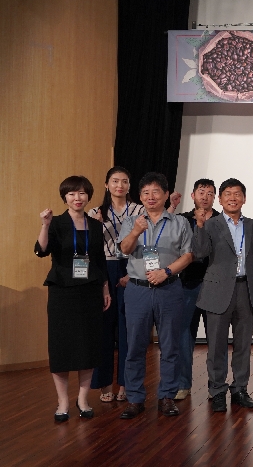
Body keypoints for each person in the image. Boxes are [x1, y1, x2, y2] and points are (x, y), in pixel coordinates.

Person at [117, 172, 193, 419]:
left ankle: (167, 396)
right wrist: (135, 232)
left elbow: (188, 255)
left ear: (166, 194)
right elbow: (124, 249)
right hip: (137, 290)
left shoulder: (179, 222)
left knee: (170, 345)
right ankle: (135, 398)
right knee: (135, 346)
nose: (151, 197)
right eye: (146, 193)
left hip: (169, 289)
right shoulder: (132, 221)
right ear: (140, 197)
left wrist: (166, 272)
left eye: (156, 192)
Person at [36, 176, 111, 422]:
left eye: (81, 193)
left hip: (90, 291)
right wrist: (45, 225)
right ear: (64, 197)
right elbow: (41, 250)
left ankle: (83, 399)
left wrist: (105, 289)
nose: (77, 198)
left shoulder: (96, 225)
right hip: (62, 291)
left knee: (88, 345)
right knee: (61, 347)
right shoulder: (56, 223)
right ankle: (63, 402)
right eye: (71, 194)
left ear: (88, 196)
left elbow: (100, 261)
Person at [192, 178, 253, 412]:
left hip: (246, 290)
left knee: (243, 345)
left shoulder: (252, 225)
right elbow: (200, 252)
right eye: (228, 194)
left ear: (244, 199)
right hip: (217, 291)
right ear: (220, 200)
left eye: (237, 194)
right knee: (216, 345)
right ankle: (217, 390)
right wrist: (200, 226)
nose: (233, 198)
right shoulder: (211, 224)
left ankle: (240, 389)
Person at [88, 166, 144, 403]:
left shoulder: (139, 210)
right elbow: (89, 249)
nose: (119, 185)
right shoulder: (95, 212)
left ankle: (125, 383)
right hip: (104, 269)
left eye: (124, 181)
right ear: (106, 185)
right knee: (103, 328)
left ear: (129, 186)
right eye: (115, 181)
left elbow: (147, 243)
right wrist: (96, 227)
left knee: (127, 330)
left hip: (131, 268)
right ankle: (104, 383)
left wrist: (134, 272)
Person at [175, 179, 220, 401]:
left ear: (215, 198)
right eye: (201, 192)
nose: (205, 196)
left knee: (215, 337)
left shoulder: (221, 220)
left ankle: (216, 386)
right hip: (187, 284)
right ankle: (183, 384)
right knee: (184, 335)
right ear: (193, 195)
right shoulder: (182, 220)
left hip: (215, 286)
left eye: (210, 193)